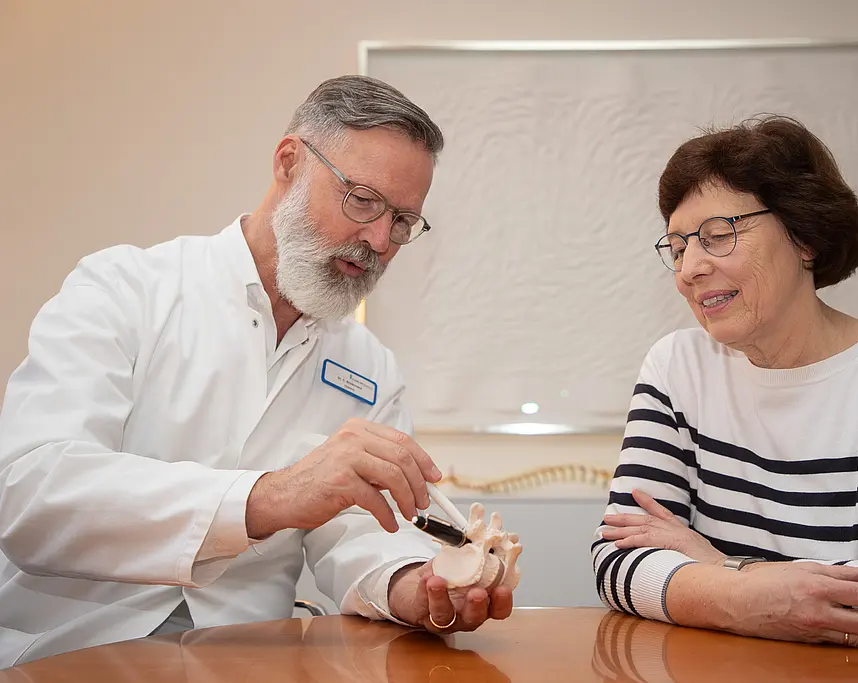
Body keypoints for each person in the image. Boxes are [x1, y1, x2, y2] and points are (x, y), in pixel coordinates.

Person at [0, 75, 513, 668]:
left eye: (401, 221)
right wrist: (269, 497)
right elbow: (32, 494)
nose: (377, 238)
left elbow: (360, 534)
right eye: (362, 199)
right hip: (73, 648)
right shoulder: (124, 289)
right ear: (290, 163)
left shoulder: (369, 365)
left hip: (246, 659)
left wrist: (415, 588)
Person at [592, 115, 858, 649]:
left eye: (717, 236)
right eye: (677, 248)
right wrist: (755, 595)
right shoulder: (677, 367)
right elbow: (618, 561)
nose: (689, 269)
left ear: (804, 239)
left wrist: (726, 569)